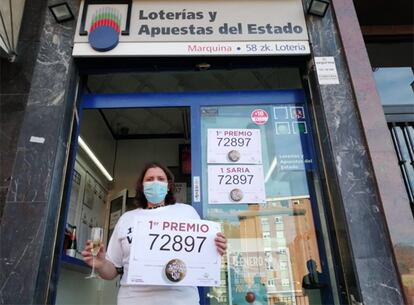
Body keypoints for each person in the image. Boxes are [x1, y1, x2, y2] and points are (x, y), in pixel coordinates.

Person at [81, 161, 227, 305]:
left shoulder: (187, 212)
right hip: (133, 300)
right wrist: (100, 265)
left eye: (161, 179)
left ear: (169, 186)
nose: (155, 183)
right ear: (142, 186)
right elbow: (112, 271)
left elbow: (202, 255)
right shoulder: (127, 219)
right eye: (149, 179)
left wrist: (215, 248)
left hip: (181, 300)